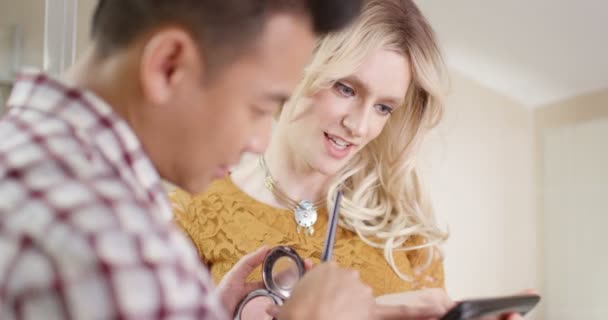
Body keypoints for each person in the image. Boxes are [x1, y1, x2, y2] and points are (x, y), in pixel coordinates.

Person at [0, 1, 398, 319]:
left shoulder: (24, 152)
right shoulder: (115, 245)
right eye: (261, 107)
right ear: (169, 64)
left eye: (384, 107)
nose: (260, 141)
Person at [171, 1, 529, 319]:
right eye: (345, 88)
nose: (359, 125)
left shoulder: (405, 233)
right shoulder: (194, 210)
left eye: (383, 107)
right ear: (298, 66)